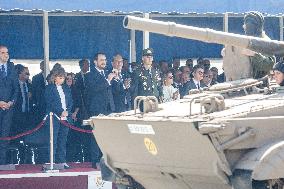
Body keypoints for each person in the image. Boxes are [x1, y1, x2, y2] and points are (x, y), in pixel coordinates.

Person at [223, 11, 275, 81]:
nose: (244, 26)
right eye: (245, 23)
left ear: (256, 25)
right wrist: (229, 52)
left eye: (247, 24)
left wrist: (254, 54)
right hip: (242, 82)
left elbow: (269, 65)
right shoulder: (247, 41)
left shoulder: (265, 42)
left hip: (260, 83)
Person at [85, 52, 115, 168]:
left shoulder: (107, 73)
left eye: (105, 59)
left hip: (108, 109)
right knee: (96, 135)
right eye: (101, 60)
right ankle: (95, 160)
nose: (104, 62)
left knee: (107, 136)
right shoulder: (89, 75)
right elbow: (94, 89)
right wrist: (107, 80)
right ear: (95, 62)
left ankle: (105, 159)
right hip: (96, 109)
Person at [45, 67, 73, 168]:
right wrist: (61, 111)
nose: (62, 80)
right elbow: (50, 103)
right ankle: (52, 161)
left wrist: (67, 112)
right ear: (54, 77)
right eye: (60, 77)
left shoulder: (66, 88)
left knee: (63, 140)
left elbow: (70, 101)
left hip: (65, 118)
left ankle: (62, 161)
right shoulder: (49, 88)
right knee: (53, 140)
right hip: (54, 118)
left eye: (63, 78)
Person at [0, 45, 18, 165]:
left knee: (5, 136)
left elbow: (16, 89)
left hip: (8, 108)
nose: (6, 55)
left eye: (7, 52)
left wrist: (11, 102)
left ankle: (2, 162)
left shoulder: (11, 68)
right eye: (2, 53)